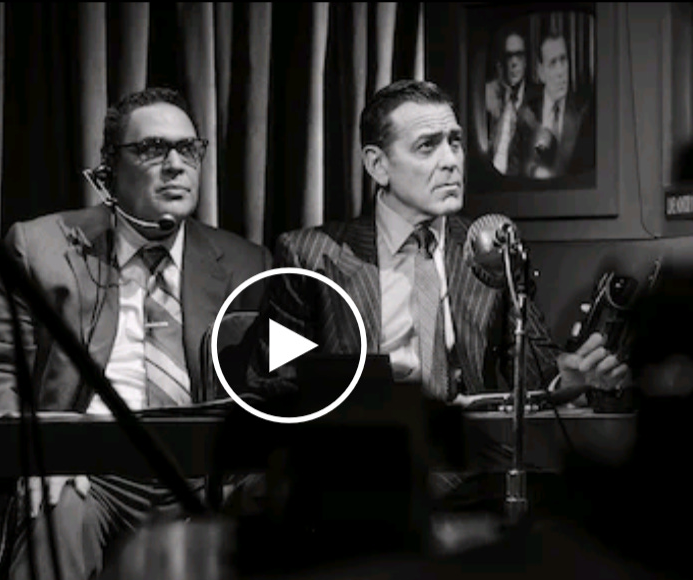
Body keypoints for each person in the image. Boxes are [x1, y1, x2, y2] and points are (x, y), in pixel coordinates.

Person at [0, 87, 272, 580]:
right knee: (60, 508)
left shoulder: (245, 263)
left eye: (188, 149)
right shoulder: (41, 246)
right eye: (153, 149)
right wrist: (44, 454)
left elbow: (270, 389)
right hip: (86, 469)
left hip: (200, 474)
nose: (176, 164)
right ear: (108, 170)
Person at [239, 79, 626, 507]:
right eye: (427, 146)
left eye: (455, 142)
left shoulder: (491, 247)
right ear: (378, 165)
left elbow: (534, 370)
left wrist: (568, 378)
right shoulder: (310, 256)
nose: (451, 162)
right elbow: (271, 388)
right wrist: (362, 399)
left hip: (472, 473)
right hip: (356, 476)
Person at [521, 32, 595, 179]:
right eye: (553, 63)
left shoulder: (585, 111)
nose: (561, 71)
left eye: (563, 60)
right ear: (541, 72)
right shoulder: (526, 113)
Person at [485, 30, 541, 176]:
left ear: (526, 61)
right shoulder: (489, 95)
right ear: (501, 62)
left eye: (519, 55)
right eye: (508, 56)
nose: (514, 63)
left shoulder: (539, 100)